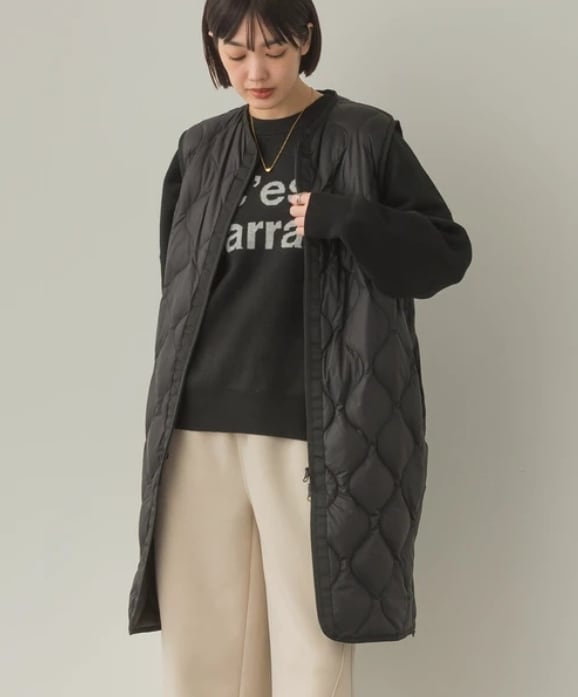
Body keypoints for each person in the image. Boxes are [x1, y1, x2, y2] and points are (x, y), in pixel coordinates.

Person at [127, 1, 473, 696]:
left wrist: (348, 216)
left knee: (310, 646)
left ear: (306, 38)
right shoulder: (200, 149)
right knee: (202, 645)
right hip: (196, 427)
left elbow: (445, 254)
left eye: (275, 51)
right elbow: (178, 280)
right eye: (235, 54)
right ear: (214, 48)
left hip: (311, 428)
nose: (255, 72)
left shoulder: (364, 137)